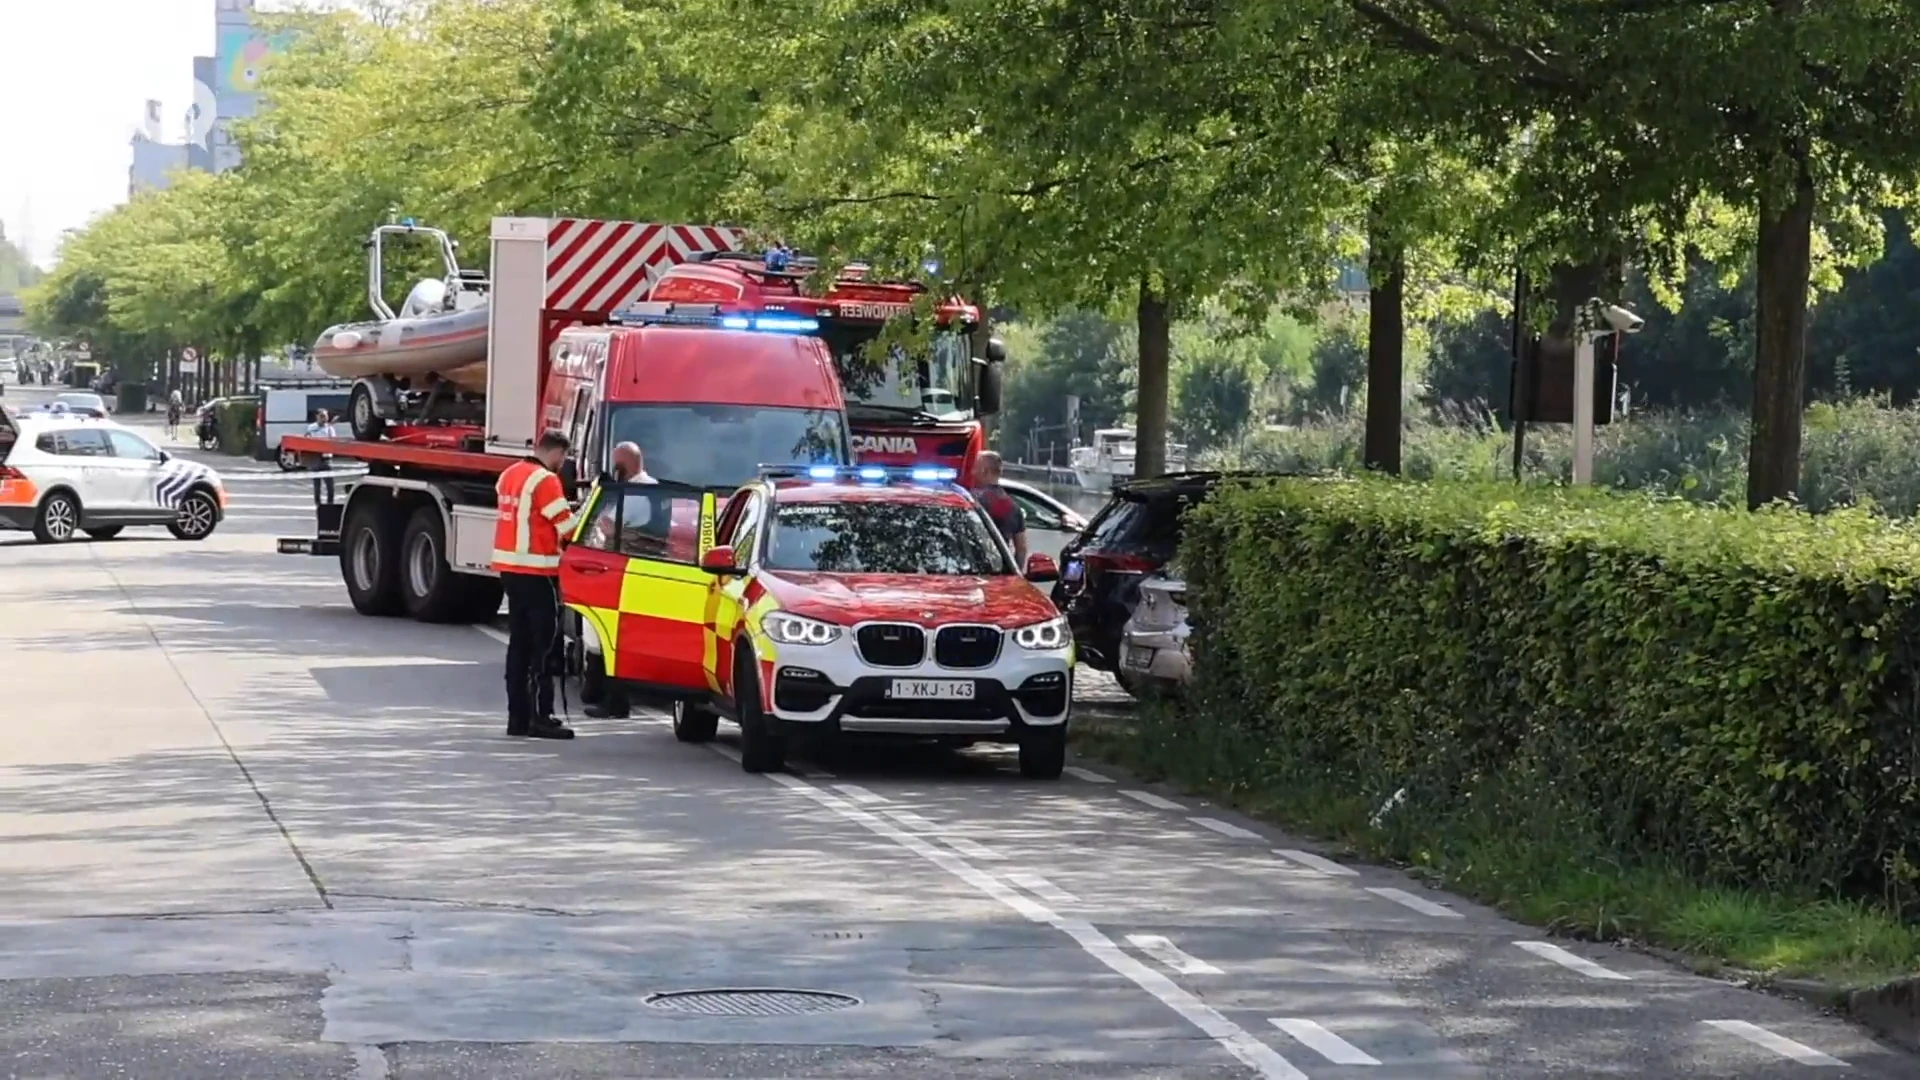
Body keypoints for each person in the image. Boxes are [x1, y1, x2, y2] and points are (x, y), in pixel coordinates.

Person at [493, 431, 580, 739]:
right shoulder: (545, 480)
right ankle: (538, 717)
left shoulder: (509, 474)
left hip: (511, 571)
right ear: (556, 452)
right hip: (537, 572)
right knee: (540, 649)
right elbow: (567, 528)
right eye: (564, 457)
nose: (563, 463)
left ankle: (518, 718)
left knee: (519, 646)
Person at [971, 450, 1029, 566]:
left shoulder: (972, 500)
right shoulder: (1013, 507)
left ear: (984, 471)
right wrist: (1016, 574)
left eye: (974, 468)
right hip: (1000, 568)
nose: (972, 472)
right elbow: (1021, 548)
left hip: (972, 566)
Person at [305, 409, 338, 505]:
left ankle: (330, 504)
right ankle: (318, 504)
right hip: (315, 459)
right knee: (317, 486)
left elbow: (333, 442)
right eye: (322, 416)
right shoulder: (311, 427)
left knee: (330, 486)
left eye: (326, 416)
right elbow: (308, 439)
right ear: (317, 416)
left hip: (326, 459)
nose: (324, 418)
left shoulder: (329, 429)